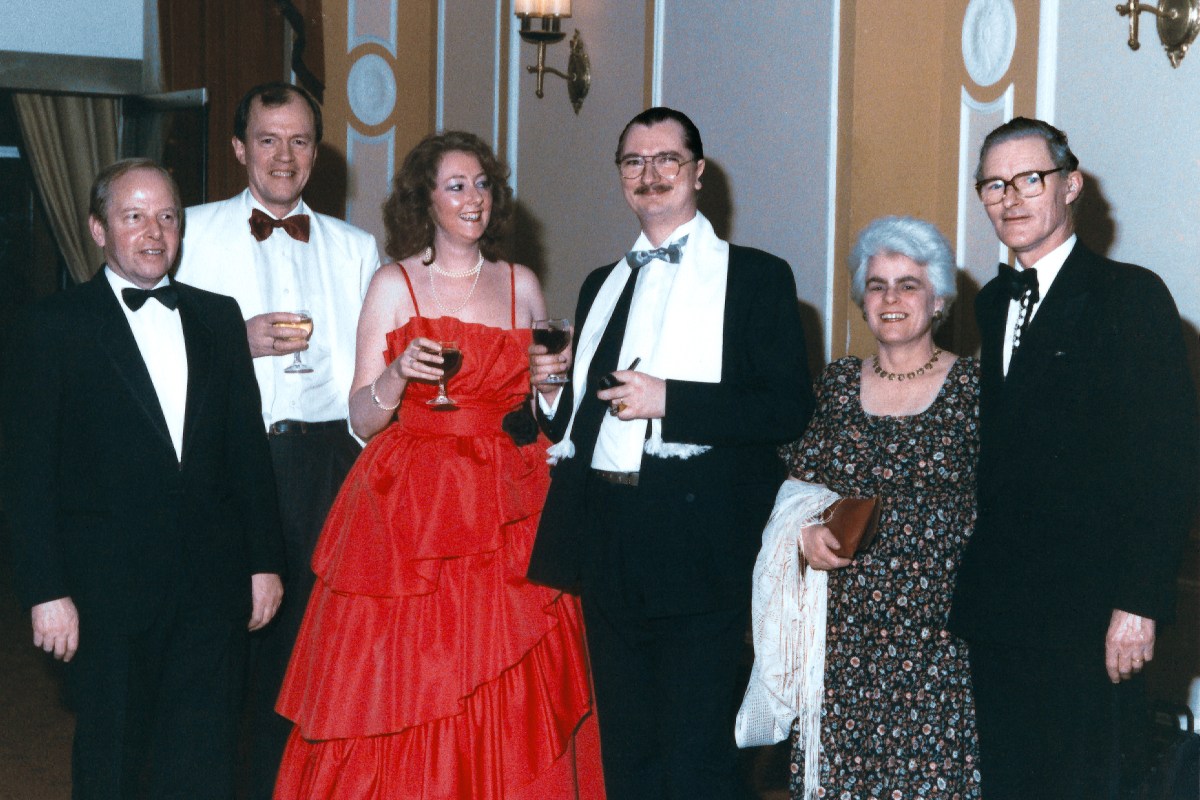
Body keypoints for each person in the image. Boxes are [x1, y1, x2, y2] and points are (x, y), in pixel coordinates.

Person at [272, 130, 604, 799]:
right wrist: (396, 374)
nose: (473, 198)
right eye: (456, 186)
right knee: (414, 678)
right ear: (425, 200)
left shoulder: (521, 284)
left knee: (514, 666)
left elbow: (544, 410)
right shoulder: (393, 284)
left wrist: (552, 384)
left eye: (482, 184)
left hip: (508, 500)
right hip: (413, 507)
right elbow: (361, 419)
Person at [525, 107, 814, 799]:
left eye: (667, 160)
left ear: (699, 172)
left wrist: (671, 400)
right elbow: (581, 421)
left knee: (697, 756)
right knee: (627, 752)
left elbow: (787, 408)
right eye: (634, 161)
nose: (649, 174)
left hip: (701, 545)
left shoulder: (757, 276)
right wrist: (550, 393)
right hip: (609, 539)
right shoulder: (601, 284)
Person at [1, 159, 284, 799]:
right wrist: (45, 591)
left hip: (211, 590)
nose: (154, 233)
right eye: (134, 216)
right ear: (98, 229)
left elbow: (246, 452)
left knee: (206, 766)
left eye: (167, 217)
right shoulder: (52, 328)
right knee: (112, 767)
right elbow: (27, 477)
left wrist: (264, 561)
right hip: (106, 595)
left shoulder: (218, 318)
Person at [948, 117, 1200, 799]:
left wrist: (1139, 603)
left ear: (1071, 185)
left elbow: (1167, 464)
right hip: (1003, 614)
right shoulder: (993, 303)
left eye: (1030, 179)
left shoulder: (1131, 296)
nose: (1011, 198)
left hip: (1093, 617)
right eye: (994, 185)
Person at [175, 81, 380, 798]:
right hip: (232, 462)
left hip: (329, 464)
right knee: (224, 645)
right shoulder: (190, 231)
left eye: (299, 141)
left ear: (316, 153)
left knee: (312, 652)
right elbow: (149, 346)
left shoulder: (357, 247)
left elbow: (373, 369)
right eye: (267, 140)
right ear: (239, 149)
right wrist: (235, 341)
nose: (284, 156)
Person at [771, 216, 981, 799]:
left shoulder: (975, 389)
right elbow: (787, 489)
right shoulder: (834, 387)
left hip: (940, 640)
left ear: (938, 299)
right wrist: (803, 532)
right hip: (842, 637)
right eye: (876, 285)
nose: (890, 299)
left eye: (908, 285)